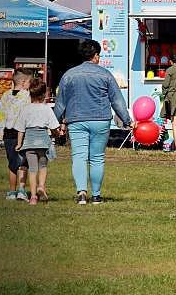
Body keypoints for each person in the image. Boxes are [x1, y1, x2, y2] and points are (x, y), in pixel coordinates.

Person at [54, 39, 132, 205]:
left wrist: (53, 123)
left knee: (79, 157)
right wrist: (127, 121)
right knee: (97, 158)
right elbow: (117, 101)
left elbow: (60, 102)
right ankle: (96, 196)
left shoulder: (69, 75)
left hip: (76, 120)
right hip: (100, 120)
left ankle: (81, 194)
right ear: (96, 56)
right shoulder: (105, 74)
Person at [14, 78, 60, 204]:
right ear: (44, 94)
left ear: (30, 93)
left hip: (29, 142)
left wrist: (19, 144)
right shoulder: (46, 109)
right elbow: (53, 127)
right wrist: (57, 134)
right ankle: (41, 186)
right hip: (43, 143)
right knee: (43, 166)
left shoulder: (26, 109)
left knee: (32, 170)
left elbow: (20, 129)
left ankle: (33, 197)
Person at [0, 69, 32, 200]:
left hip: (8, 134)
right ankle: (21, 190)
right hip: (23, 133)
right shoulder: (27, 96)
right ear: (23, 82)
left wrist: (2, 129)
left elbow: (0, 114)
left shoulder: (5, 95)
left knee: (12, 163)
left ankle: (12, 192)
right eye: (30, 81)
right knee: (24, 162)